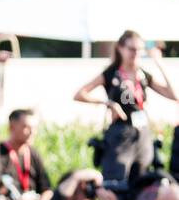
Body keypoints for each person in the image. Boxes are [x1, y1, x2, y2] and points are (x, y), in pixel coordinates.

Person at [73, 31, 176, 188]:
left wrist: (159, 62)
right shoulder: (111, 73)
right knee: (116, 181)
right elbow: (80, 94)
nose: (135, 53)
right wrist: (108, 103)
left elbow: (173, 95)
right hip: (120, 134)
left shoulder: (143, 75)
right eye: (132, 49)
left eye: (139, 50)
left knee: (141, 181)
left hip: (142, 133)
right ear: (120, 48)